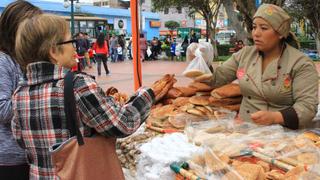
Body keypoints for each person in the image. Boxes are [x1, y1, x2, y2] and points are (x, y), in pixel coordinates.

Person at [12, 14, 160, 179]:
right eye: (71, 41)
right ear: (53, 51)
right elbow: (122, 124)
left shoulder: (19, 94)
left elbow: (21, 140)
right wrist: (147, 94)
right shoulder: (77, 85)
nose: (75, 48)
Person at [206, 4, 318, 129]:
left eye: (264, 28)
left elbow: (307, 107)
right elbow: (217, 78)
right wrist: (203, 62)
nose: (256, 33)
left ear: (280, 33)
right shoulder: (245, 55)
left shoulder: (300, 63)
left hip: (282, 134)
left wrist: (275, 117)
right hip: (243, 130)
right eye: (254, 27)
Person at [0, 1, 42, 179]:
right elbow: (2, 110)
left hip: (31, 155)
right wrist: (38, 96)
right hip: (10, 159)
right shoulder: (4, 61)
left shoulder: (26, 61)